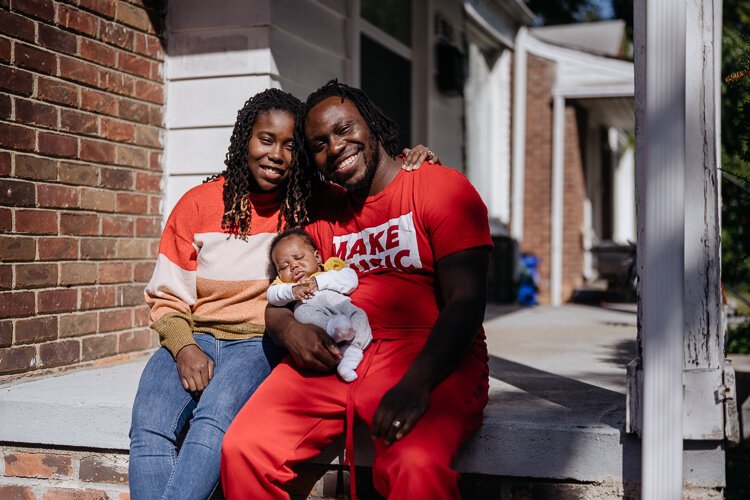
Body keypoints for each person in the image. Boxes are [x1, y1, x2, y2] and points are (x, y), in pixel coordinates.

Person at [128, 86, 438, 500]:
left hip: (257, 342)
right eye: (266, 140)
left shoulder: (311, 204)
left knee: (213, 421)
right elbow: (167, 295)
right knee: (148, 429)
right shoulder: (197, 204)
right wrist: (184, 347)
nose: (276, 155)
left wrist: (410, 160)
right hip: (194, 335)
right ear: (245, 141)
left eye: (291, 146)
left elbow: (370, 184)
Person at [221, 80, 492, 499]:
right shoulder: (325, 215)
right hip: (338, 352)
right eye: (319, 143)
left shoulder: (439, 187)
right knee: (245, 448)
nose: (335, 147)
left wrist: (419, 383)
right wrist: (288, 331)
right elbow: (281, 295)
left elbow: (468, 299)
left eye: (345, 129)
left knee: (414, 465)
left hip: (424, 353)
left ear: (373, 126)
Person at [267, 228, 372, 382]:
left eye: (299, 257)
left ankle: (353, 351)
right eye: (283, 266)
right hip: (306, 305)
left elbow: (351, 279)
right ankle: (334, 331)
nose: (293, 266)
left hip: (335, 301)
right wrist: (292, 291)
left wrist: (318, 282)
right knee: (304, 315)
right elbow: (271, 295)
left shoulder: (329, 268)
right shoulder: (285, 285)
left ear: (317, 257)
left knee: (359, 315)